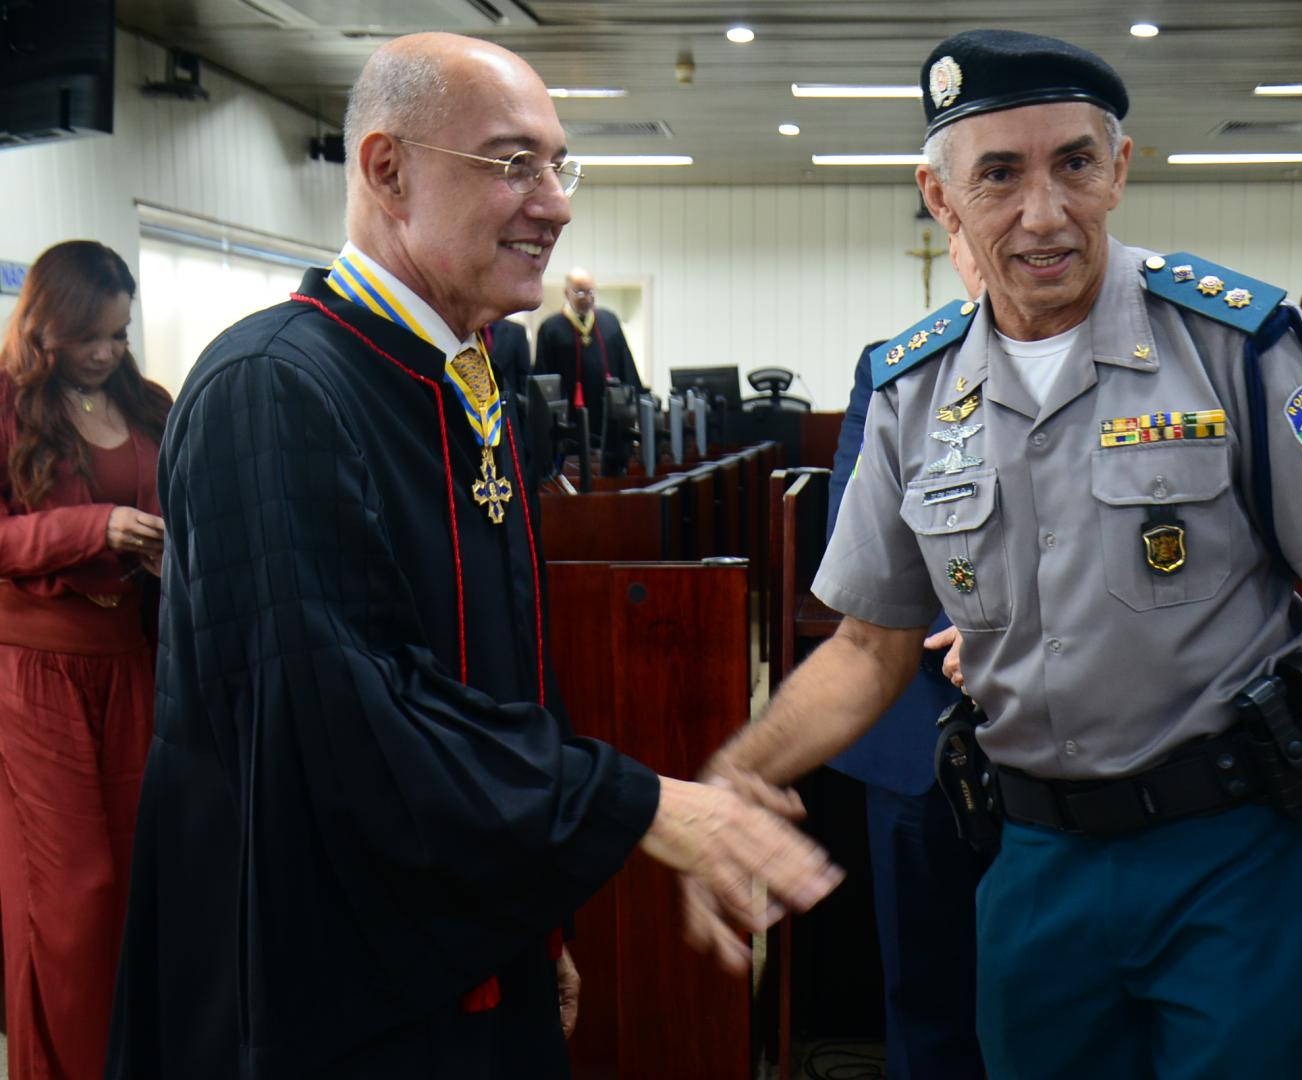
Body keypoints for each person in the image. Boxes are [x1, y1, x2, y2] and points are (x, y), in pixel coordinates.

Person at [687, 28, 1302, 1080]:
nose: (1044, 211)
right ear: (941, 196)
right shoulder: (912, 389)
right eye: (1000, 175)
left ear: (1119, 168)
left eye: (1074, 162)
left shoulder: (1237, 342)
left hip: (1236, 857)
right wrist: (735, 773)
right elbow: (871, 646)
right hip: (1037, 863)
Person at [106, 32, 840, 1080]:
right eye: (513, 163)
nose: (555, 200)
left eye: (558, 163)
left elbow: (493, 676)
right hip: (324, 979)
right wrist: (642, 804)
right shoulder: (274, 387)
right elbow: (341, 726)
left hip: (466, 931)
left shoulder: (476, 366)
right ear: (388, 171)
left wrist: (533, 925)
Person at [0, 240, 171, 1080]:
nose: (107, 353)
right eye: (89, 338)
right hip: (37, 671)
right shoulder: (7, 407)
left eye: (119, 334)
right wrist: (90, 530)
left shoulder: (147, 403)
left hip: (129, 661)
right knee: (74, 894)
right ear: (48, 328)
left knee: (140, 880)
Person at [825, 228, 989, 1080]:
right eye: (967, 226)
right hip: (921, 733)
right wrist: (963, 621)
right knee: (926, 1008)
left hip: (1077, 743)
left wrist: (1006, 626)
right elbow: (859, 550)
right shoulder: (896, 368)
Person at [536, 266, 642, 421]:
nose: (587, 297)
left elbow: (626, 367)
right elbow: (544, 377)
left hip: (610, 414)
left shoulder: (610, 322)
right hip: (570, 416)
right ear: (566, 293)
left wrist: (634, 403)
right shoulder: (551, 329)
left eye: (591, 292)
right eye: (580, 292)